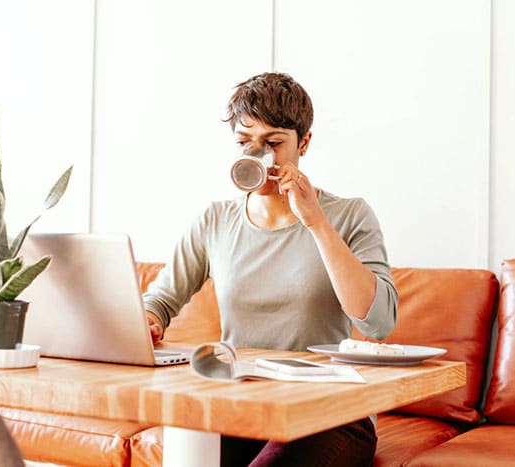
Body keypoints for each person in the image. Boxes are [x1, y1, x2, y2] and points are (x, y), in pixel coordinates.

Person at [143, 72, 398, 467]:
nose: (256, 155)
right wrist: (148, 320)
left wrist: (315, 222)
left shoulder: (349, 216)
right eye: (245, 143)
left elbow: (379, 324)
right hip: (241, 407)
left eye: (273, 143)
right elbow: (159, 300)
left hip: (329, 415)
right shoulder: (215, 220)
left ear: (305, 142)